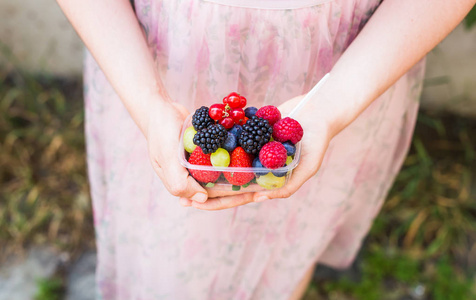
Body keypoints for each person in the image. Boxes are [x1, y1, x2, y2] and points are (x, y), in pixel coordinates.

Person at [57, 0, 475, 299]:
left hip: (348, 70)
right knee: (166, 259)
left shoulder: (294, 128)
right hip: (156, 62)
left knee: (285, 250)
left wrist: (327, 111)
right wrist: (149, 104)